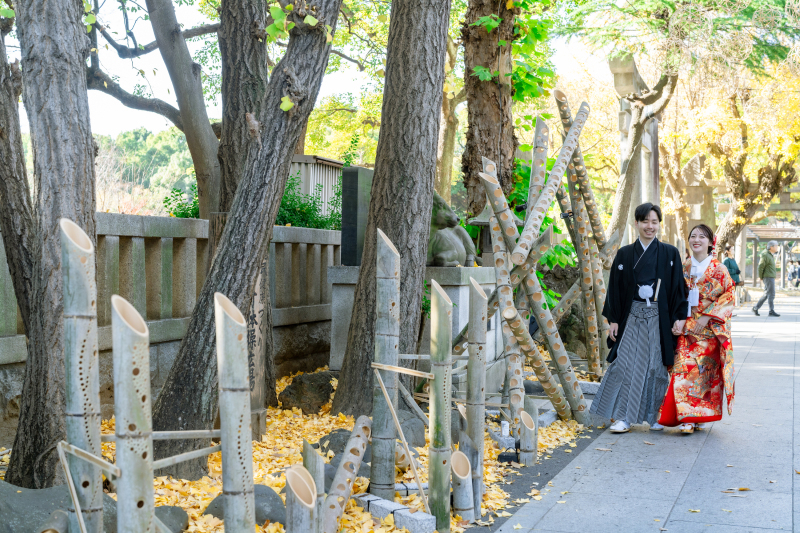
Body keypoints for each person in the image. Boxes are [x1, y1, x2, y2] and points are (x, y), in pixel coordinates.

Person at [590, 203, 688, 433]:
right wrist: (613, 320)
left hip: (658, 317)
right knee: (625, 364)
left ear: (659, 225)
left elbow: (677, 289)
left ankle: (654, 416)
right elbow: (614, 288)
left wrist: (678, 317)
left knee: (656, 366)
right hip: (632, 316)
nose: (650, 226)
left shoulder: (670, 253)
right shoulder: (625, 254)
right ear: (636, 223)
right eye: (645, 221)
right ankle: (623, 416)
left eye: (654, 222)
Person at [658, 224, 735, 434]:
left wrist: (708, 315)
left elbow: (728, 295)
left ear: (711, 242)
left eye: (702, 237)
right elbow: (675, 296)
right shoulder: (683, 266)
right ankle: (687, 418)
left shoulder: (720, 269)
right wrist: (677, 319)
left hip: (709, 329)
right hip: (687, 327)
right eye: (693, 236)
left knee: (705, 374)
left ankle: (700, 415)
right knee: (684, 370)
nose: (697, 240)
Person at [752, 241, 780, 317]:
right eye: (776, 246)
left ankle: (756, 307)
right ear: (771, 247)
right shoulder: (765, 254)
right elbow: (760, 266)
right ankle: (771, 311)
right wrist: (761, 277)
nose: (777, 247)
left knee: (766, 294)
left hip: (770, 277)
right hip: (768, 277)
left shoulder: (770, 255)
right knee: (771, 294)